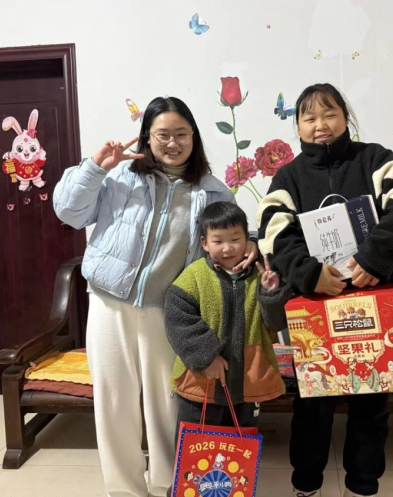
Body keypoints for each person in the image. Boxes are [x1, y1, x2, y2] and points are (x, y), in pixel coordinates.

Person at [53, 97, 259, 497]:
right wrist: (95, 166)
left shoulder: (212, 190)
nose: (173, 143)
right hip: (109, 303)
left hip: (169, 311)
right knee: (114, 402)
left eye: (182, 134)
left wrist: (250, 243)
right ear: (147, 137)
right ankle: (125, 490)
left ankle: (169, 484)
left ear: (194, 137)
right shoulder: (119, 175)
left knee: (168, 402)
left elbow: (231, 235)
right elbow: (69, 212)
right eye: (163, 134)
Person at [256, 83, 393, 497]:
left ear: (345, 118)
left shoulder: (377, 159)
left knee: (372, 406)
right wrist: (309, 273)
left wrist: (374, 258)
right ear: (298, 126)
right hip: (317, 309)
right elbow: (273, 232)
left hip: (377, 305)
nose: (321, 125)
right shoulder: (288, 177)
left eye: (329, 114)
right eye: (309, 118)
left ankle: (363, 486)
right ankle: (306, 485)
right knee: (312, 406)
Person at [164, 202, 290, 463]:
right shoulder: (194, 276)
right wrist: (207, 356)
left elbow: (275, 324)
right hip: (200, 383)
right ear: (204, 243)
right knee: (194, 456)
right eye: (218, 241)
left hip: (249, 382)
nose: (228, 248)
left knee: (238, 456)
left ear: (248, 239)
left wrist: (271, 294)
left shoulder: (260, 275)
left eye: (235, 239)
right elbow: (178, 318)